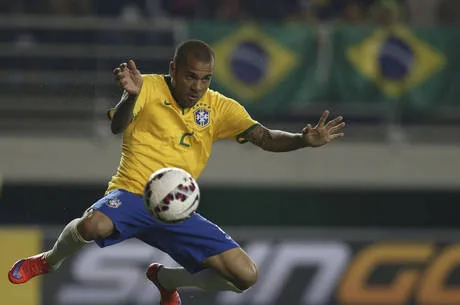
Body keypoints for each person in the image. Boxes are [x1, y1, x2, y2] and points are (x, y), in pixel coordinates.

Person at [8, 40, 345, 305]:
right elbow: (116, 126)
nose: (197, 85)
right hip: (131, 193)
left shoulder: (220, 108)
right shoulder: (148, 87)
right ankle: (49, 261)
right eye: (190, 76)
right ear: (173, 69)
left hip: (176, 208)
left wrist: (303, 140)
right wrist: (130, 96)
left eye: (205, 78)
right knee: (93, 224)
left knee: (246, 276)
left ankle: (168, 280)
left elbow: (266, 138)